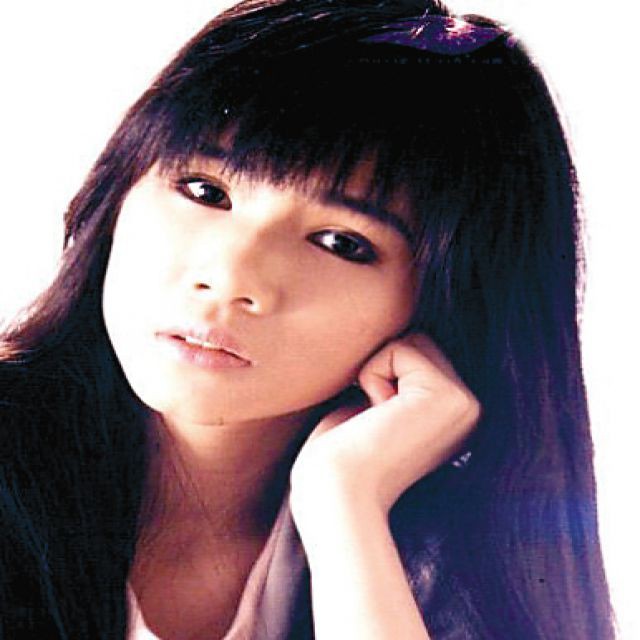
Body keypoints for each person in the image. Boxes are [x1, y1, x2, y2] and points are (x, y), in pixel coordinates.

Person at [0, 0, 615, 638]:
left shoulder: (451, 568)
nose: (231, 278)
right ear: (118, 192)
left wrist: (345, 502)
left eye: (340, 243)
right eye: (206, 191)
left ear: (448, 301)